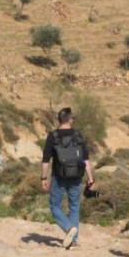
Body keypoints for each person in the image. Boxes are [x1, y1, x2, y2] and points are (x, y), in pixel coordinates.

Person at [41, 107, 95, 249]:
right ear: (70, 120)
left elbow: (45, 159)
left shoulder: (53, 136)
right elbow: (85, 159)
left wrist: (43, 178)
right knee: (74, 207)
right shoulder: (78, 135)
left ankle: (68, 228)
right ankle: (74, 240)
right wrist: (90, 178)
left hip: (58, 177)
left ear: (59, 120)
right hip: (76, 175)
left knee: (55, 206)